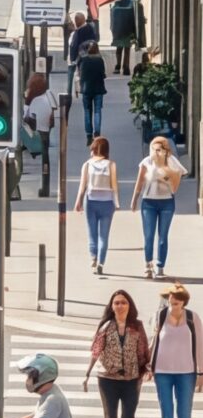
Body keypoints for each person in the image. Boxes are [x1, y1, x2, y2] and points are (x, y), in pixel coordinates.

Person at [150, 282, 202, 418]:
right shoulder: (159, 316)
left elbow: (200, 345)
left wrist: (201, 372)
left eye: (176, 302)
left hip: (186, 372)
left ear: (184, 303)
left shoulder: (192, 318)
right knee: (166, 416)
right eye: (170, 301)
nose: (173, 305)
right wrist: (150, 366)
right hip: (162, 372)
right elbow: (154, 342)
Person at [86, 289, 150, 418]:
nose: (120, 306)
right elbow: (96, 350)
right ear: (112, 306)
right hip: (107, 379)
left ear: (129, 306)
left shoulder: (137, 326)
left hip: (131, 379)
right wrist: (87, 373)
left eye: (123, 302)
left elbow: (143, 350)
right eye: (117, 303)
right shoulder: (106, 326)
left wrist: (146, 369)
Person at [130, 134, 184, 281]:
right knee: (148, 236)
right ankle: (148, 265)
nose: (156, 153)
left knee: (162, 236)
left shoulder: (172, 162)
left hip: (167, 202)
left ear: (166, 150)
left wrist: (164, 175)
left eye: (159, 149)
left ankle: (160, 267)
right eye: (153, 150)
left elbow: (175, 187)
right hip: (149, 203)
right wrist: (134, 199)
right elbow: (139, 181)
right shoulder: (146, 162)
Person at [73, 134, 120, 273]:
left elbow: (82, 186)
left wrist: (78, 202)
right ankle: (101, 263)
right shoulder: (111, 165)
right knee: (104, 235)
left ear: (93, 150)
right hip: (107, 203)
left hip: (91, 201)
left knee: (92, 233)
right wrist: (116, 202)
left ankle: (93, 258)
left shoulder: (87, 165)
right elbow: (115, 185)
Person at [20, 71, 58, 195]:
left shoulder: (34, 100)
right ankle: (45, 186)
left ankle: (44, 188)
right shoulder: (48, 95)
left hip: (37, 135)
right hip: (46, 132)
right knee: (45, 158)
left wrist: (27, 101)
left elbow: (25, 117)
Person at [74, 38, 107, 142]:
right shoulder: (100, 60)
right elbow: (103, 74)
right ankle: (97, 133)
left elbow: (78, 72)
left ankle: (89, 134)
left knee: (87, 111)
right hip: (98, 89)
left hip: (86, 89)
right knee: (97, 111)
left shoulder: (83, 59)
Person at [110, 0, 144, 79]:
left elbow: (113, 17)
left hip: (120, 30)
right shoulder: (131, 3)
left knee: (120, 49)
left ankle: (119, 66)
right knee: (126, 50)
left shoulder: (118, 4)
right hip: (127, 30)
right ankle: (125, 67)